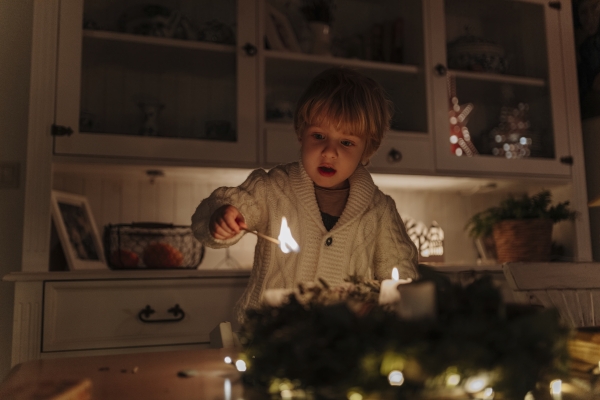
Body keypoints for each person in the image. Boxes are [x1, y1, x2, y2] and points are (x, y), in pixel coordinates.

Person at [191, 67, 418, 320]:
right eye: (319, 136)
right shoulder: (272, 188)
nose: (329, 152)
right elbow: (216, 211)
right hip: (267, 336)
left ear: (367, 149)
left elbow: (401, 274)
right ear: (301, 133)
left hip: (344, 343)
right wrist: (221, 216)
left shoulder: (380, 211)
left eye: (346, 142)